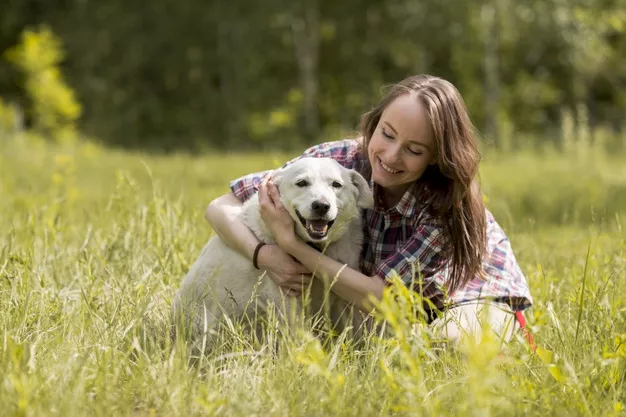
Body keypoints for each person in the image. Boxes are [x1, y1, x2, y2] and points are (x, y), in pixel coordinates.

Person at [205, 74, 533, 345]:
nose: (390, 156)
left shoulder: (445, 203)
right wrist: (263, 254)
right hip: (394, 305)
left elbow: (379, 297)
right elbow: (221, 207)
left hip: (469, 296)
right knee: (365, 344)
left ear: (436, 157)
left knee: (450, 344)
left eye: (413, 150)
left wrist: (290, 246)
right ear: (374, 125)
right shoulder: (339, 162)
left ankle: (508, 338)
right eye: (386, 134)